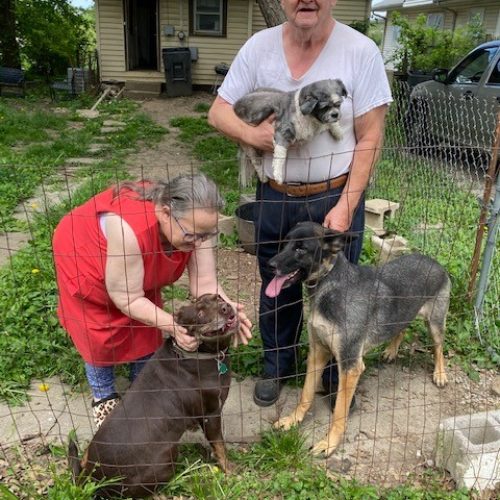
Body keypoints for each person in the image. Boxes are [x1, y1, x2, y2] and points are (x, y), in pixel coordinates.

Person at [208, 0, 392, 407]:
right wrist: (252, 136)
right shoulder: (258, 47)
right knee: (276, 283)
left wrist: (346, 206)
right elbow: (218, 112)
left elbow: (371, 136)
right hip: (275, 195)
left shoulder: (361, 52)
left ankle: (333, 374)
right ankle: (277, 366)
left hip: (335, 196)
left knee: (340, 291)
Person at [53, 174, 252, 427]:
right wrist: (173, 326)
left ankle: (144, 385)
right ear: (166, 212)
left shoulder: (195, 224)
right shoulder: (128, 230)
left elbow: (204, 283)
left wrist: (228, 312)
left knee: (146, 322)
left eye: (206, 235)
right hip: (87, 257)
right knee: (99, 329)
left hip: (133, 263)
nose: (200, 242)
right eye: (193, 236)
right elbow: (127, 297)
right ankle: (104, 394)